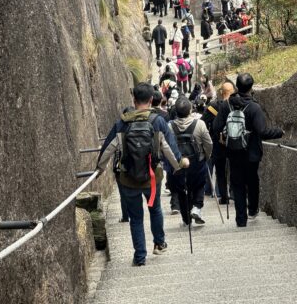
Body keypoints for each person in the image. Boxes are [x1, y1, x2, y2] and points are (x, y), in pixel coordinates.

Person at [97, 82, 190, 265]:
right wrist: (180, 164)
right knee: (155, 209)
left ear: (133, 99)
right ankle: (159, 243)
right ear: (150, 100)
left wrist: (99, 169)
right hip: (152, 178)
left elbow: (107, 149)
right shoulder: (158, 122)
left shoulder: (122, 124)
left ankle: (140, 256)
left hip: (128, 178)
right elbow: (170, 149)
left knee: (135, 217)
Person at [213, 72, 283, 228]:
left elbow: (216, 126)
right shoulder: (254, 107)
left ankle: (241, 219)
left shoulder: (226, 105)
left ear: (237, 86)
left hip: (233, 152)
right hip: (251, 154)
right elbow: (263, 131)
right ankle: (252, 209)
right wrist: (279, 132)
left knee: (237, 184)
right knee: (252, 180)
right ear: (251, 87)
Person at [169, 96, 213, 226]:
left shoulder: (169, 127)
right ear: (190, 110)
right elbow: (208, 144)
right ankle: (197, 207)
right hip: (196, 162)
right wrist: (206, 156)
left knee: (182, 190)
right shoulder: (199, 124)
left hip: (178, 163)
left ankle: (186, 219)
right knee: (199, 184)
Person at [204, 80, 234, 205]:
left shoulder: (212, 107)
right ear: (232, 92)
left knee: (220, 171)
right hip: (235, 143)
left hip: (218, 144)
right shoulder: (237, 105)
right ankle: (234, 193)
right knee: (235, 169)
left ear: (221, 92)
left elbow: (203, 124)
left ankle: (223, 196)